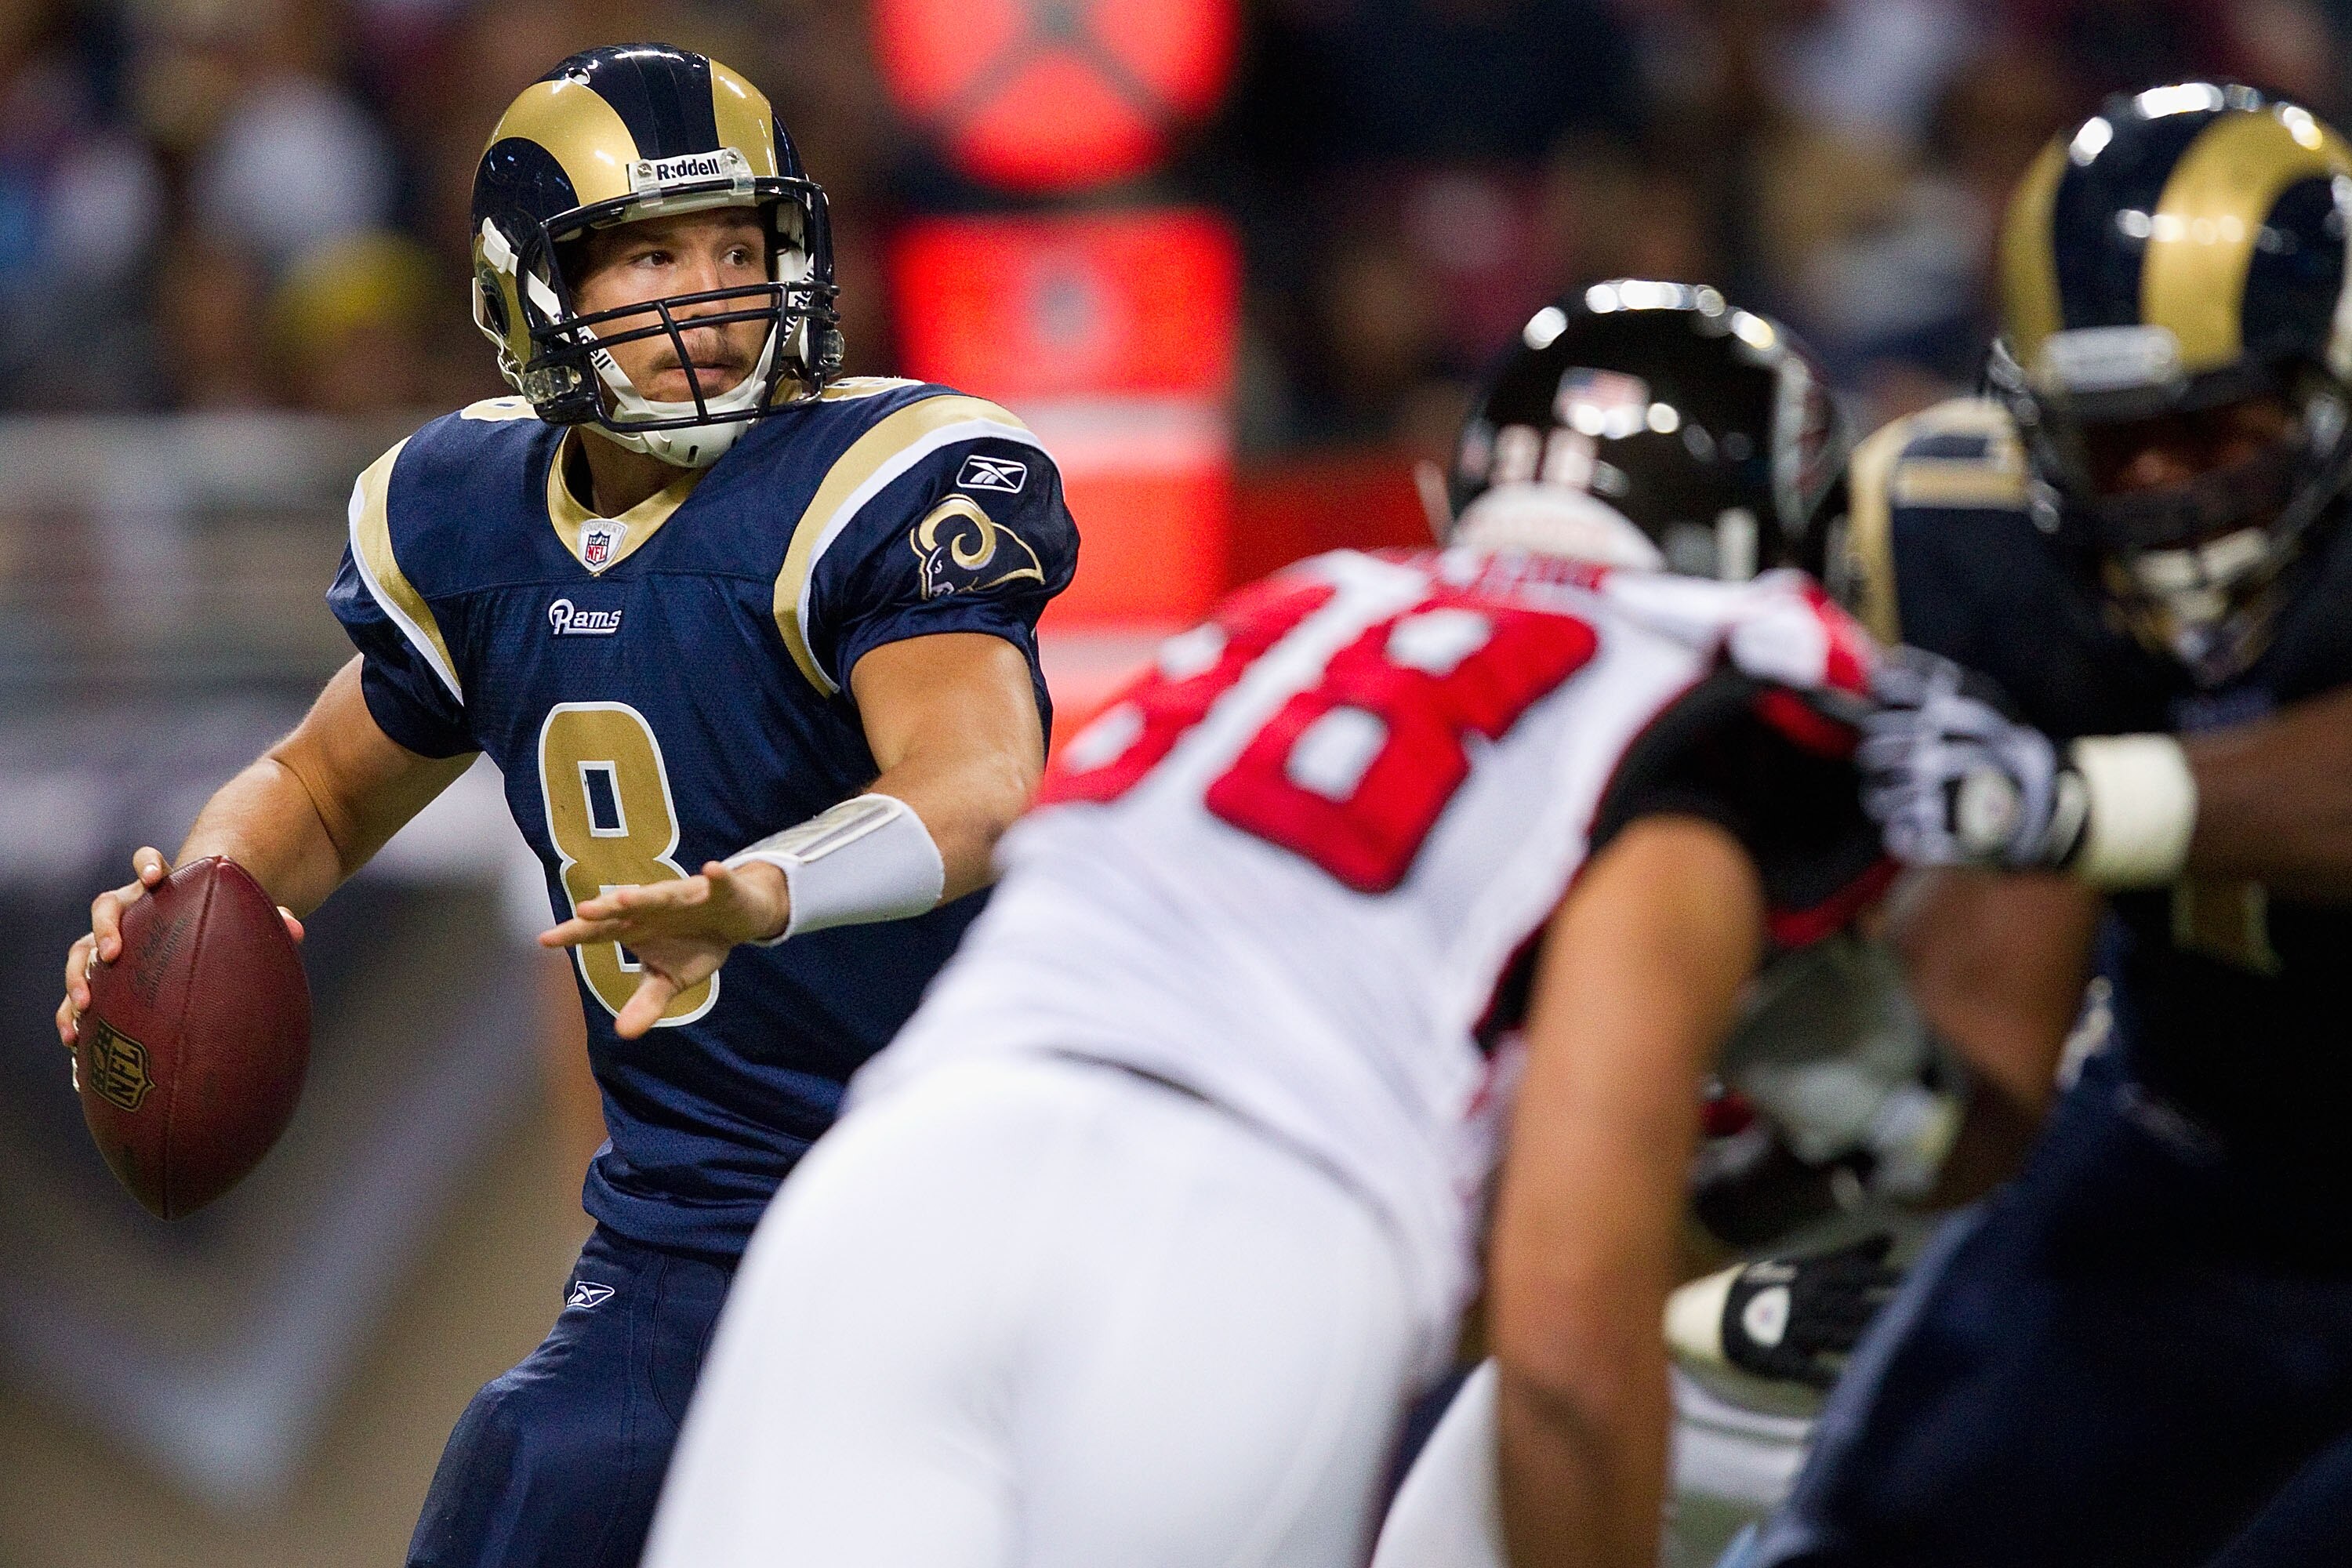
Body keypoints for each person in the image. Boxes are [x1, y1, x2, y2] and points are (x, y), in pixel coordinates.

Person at [644, 286, 1890, 1568]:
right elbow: (1566, 1335)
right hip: (1245, 1237)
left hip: (904, 1165)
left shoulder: (1293, 613)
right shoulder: (1706, 689)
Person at [55, 42, 1076, 1568]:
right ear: (528, 292)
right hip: (686, 1225)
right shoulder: (469, 513)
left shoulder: (880, 478)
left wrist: (766, 889)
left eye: (741, 245)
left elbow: (980, 781)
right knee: (516, 1493)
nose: (714, 291)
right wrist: (181, 919)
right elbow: (319, 794)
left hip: (948, 1199)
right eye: (652, 250)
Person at [1736, 82, 2352, 1566]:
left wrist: (2082, 800)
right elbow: (1995, 1038)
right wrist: (1865, 1114)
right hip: (2208, 1162)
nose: (2159, 496)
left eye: (2212, 432)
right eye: (2108, 441)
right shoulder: (1972, 532)